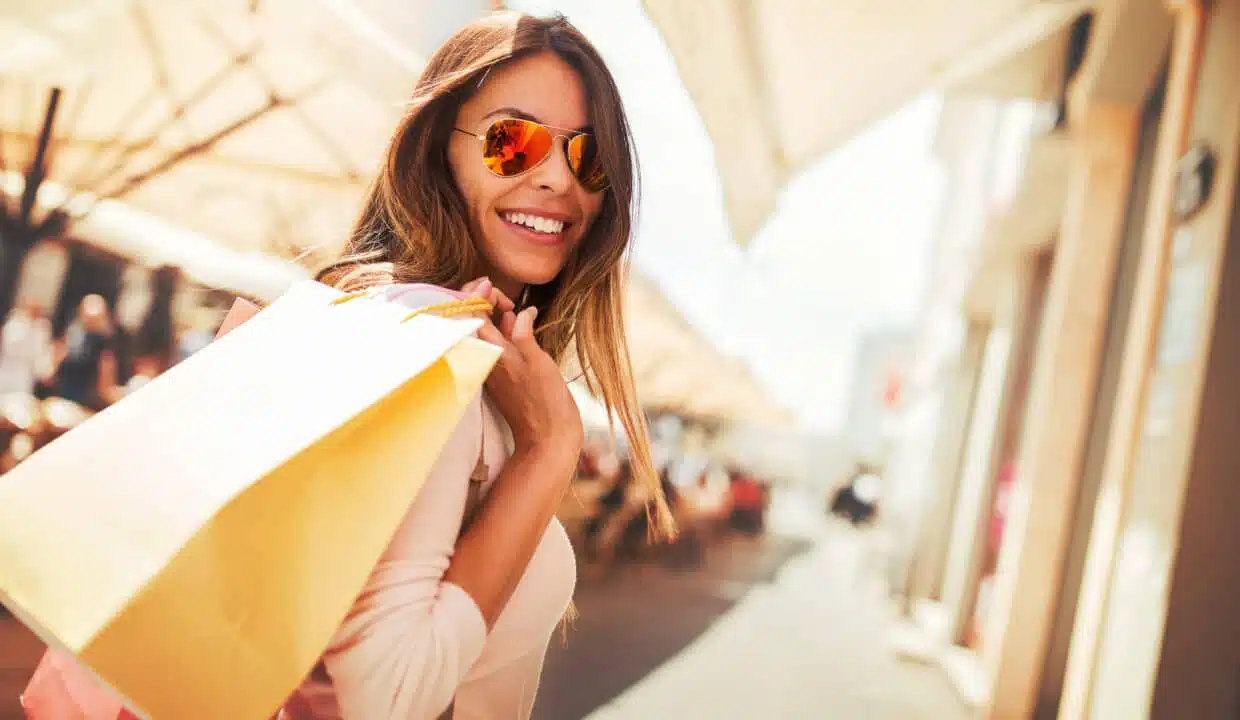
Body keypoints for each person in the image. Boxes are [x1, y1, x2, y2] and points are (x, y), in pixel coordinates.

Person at [289, 12, 675, 719]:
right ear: (441, 151)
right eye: (512, 141)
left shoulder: (455, 352)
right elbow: (384, 696)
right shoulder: (424, 345)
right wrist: (551, 449)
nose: (559, 179)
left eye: (589, 159)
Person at [51, 294, 120, 411]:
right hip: (62, 393)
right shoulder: (73, 334)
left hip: (84, 400)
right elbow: (60, 356)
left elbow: (106, 374)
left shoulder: (104, 342)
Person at [0, 299, 53, 395]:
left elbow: (41, 352)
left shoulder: (42, 328)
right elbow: (10, 347)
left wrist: (45, 371)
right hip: (8, 369)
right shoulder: (14, 323)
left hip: (25, 375)